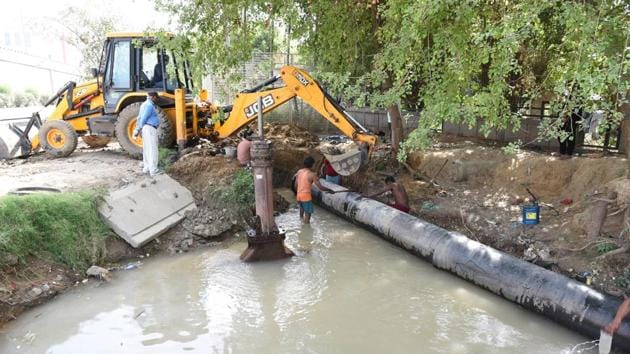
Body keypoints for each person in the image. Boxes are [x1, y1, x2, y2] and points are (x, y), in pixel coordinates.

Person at [295, 156, 333, 224]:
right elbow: (320, 187)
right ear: (312, 165)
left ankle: (300, 222)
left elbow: (296, 184)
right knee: (308, 214)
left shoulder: (299, 171)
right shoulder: (312, 175)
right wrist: (329, 190)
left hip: (299, 195)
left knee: (302, 209)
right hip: (306, 197)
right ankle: (306, 229)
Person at [132, 92, 161, 176]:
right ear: (152, 97)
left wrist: (138, 129)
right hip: (150, 128)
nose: (156, 99)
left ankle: (147, 167)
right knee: (153, 149)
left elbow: (139, 118)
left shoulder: (143, 105)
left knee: (147, 149)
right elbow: (143, 118)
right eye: (156, 98)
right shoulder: (149, 105)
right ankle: (153, 170)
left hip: (146, 128)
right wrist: (139, 128)